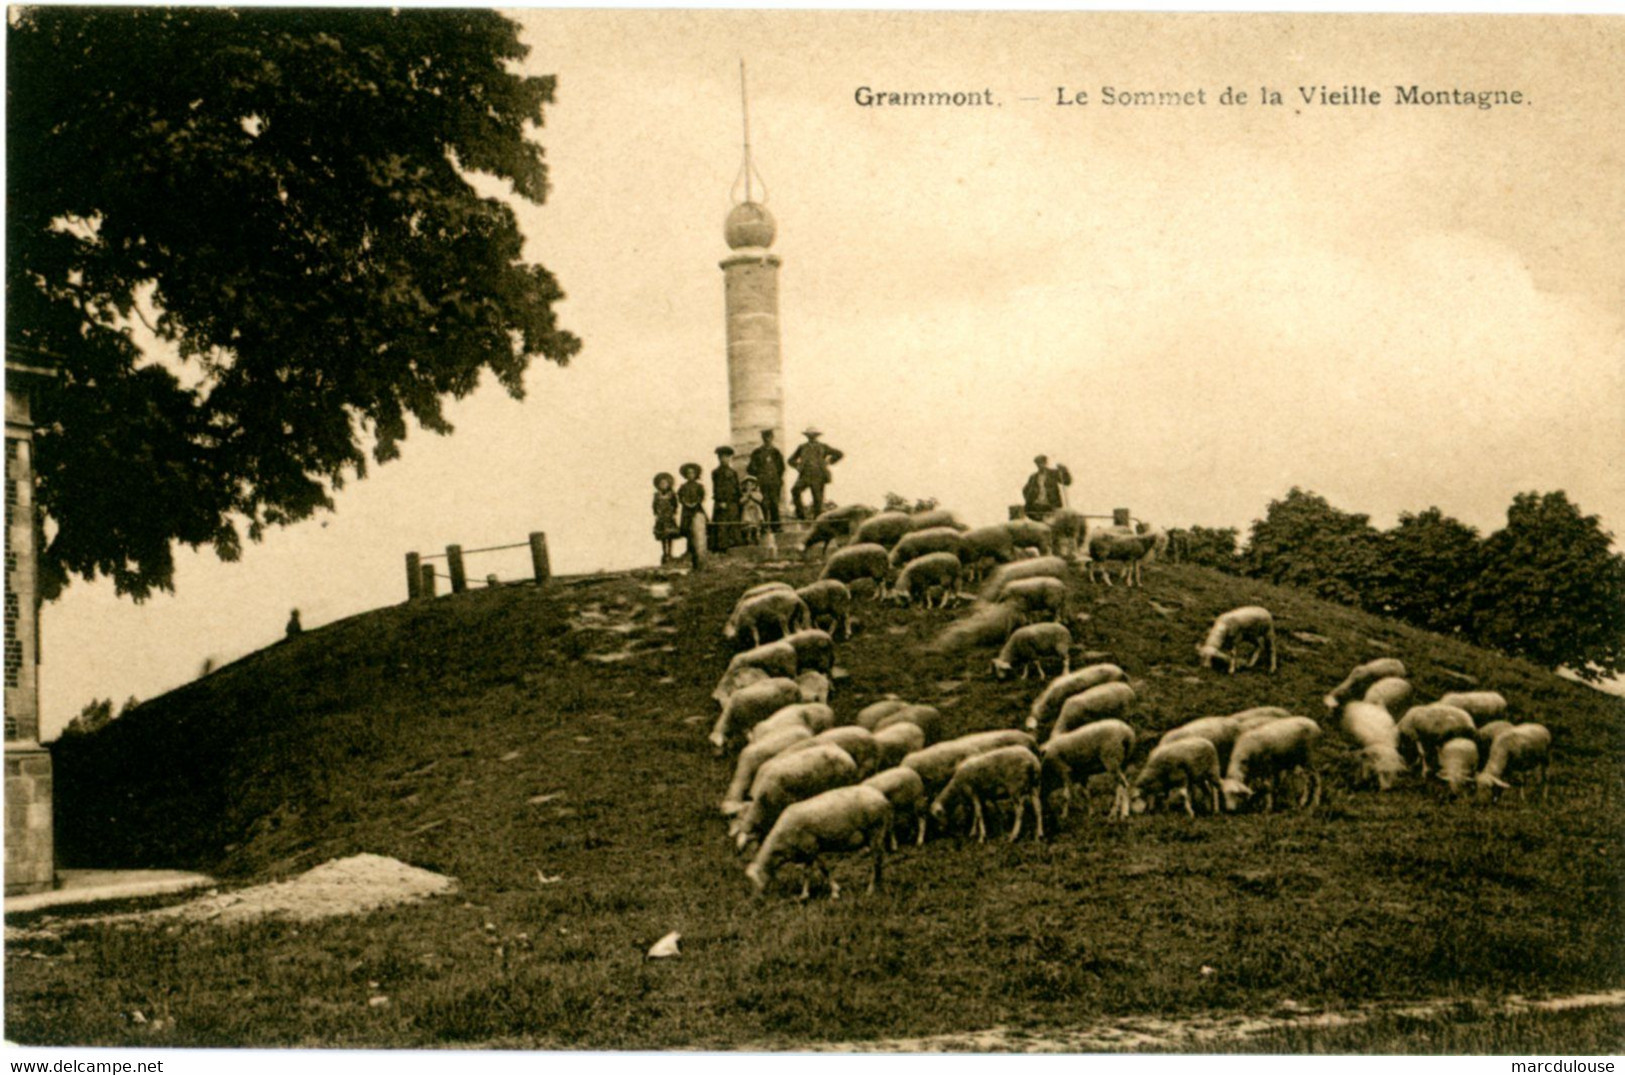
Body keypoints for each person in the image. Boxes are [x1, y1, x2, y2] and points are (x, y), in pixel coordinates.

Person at [789, 426, 844, 521]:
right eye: (809, 435)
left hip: (818, 476)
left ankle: (817, 521)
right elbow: (791, 460)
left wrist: (829, 461)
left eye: (814, 435)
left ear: (817, 436)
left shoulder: (823, 447)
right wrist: (798, 466)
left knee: (818, 500)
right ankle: (800, 515)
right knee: (795, 491)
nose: (812, 437)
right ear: (807, 436)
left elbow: (839, 454)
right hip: (805, 475)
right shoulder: (802, 447)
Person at [747, 429, 786, 534]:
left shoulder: (776, 452)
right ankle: (764, 527)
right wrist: (759, 475)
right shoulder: (757, 452)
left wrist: (777, 479)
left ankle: (776, 527)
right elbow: (750, 468)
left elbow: (781, 468)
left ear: (772, 438)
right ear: (762, 438)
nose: (767, 439)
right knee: (763, 504)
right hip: (762, 483)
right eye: (765, 437)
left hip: (774, 483)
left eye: (769, 437)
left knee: (774, 504)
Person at [710, 446, 742, 553]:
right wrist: (720, 501)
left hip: (733, 502)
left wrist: (739, 499)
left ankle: (735, 545)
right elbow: (717, 488)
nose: (724, 459)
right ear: (719, 458)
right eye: (722, 457)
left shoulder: (733, 472)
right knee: (722, 524)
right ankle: (721, 548)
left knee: (734, 522)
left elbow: (736, 487)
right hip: (722, 502)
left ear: (730, 458)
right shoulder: (716, 472)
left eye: (727, 457)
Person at [1022, 454, 1072, 521]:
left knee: (1052, 524)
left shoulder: (1053, 474)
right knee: (1038, 526)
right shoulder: (1033, 477)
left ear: (1045, 463)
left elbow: (1067, 481)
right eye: (1038, 463)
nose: (1040, 465)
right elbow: (1025, 490)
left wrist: (1064, 470)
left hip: (1052, 506)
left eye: (1042, 463)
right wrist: (1030, 500)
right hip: (1037, 507)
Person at [677, 462, 707, 568]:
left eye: (692, 473)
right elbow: (680, 497)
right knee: (687, 529)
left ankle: (699, 549)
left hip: (696, 509)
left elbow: (701, 496)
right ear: (686, 475)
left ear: (696, 474)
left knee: (698, 529)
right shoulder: (683, 487)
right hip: (686, 510)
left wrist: (695, 503)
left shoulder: (699, 486)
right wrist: (686, 503)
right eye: (688, 473)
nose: (690, 475)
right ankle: (689, 549)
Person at [651, 471, 681, 564]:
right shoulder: (657, 495)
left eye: (665, 483)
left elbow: (675, 504)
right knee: (663, 536)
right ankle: (664, 553)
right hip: (661, 518)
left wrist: (673, 512)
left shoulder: (672, 494)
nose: (663, 485)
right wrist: (656, 513)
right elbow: (654, 505)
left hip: (669, 517)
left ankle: (670, 552)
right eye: (661, 484)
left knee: (670, 535)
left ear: (669, 484)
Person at [739, 475, 768, 550]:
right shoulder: (744, 494)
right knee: (748, 525)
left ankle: (757, 537)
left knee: (757, 525)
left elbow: (760, 499)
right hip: (748, 511)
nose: (749, 486)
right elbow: (741, 501)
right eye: (747, 485)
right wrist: (747, 495)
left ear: (754, 486)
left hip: (756, 511)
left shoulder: (757, 493)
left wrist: (752, 495)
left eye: (751, 484)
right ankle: (748, 538)